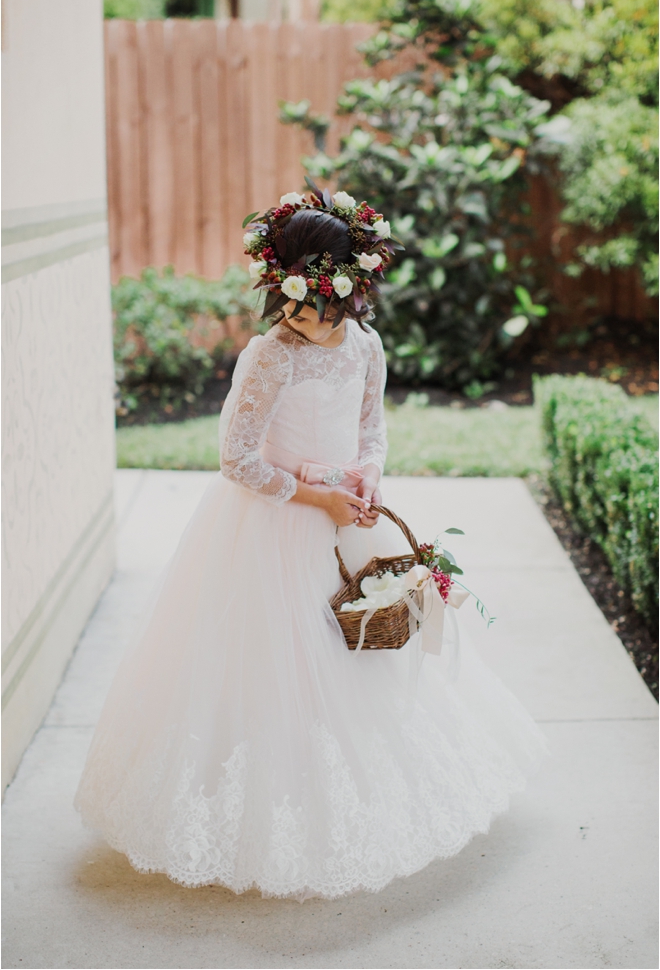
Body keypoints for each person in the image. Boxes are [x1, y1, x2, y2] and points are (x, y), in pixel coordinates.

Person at [75, 190, 545, 901]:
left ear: (349, 299)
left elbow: (372, 429)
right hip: (275, 521)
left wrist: (367, 476)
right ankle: (269, 812)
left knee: (363, 651)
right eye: (288, 301)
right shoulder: (272, 357)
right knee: (278, 662)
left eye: (312, 305)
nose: (296, 317)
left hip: (347, 514)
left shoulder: (366, 346)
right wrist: (315, 493)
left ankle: (362, 791)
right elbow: (236, 459)